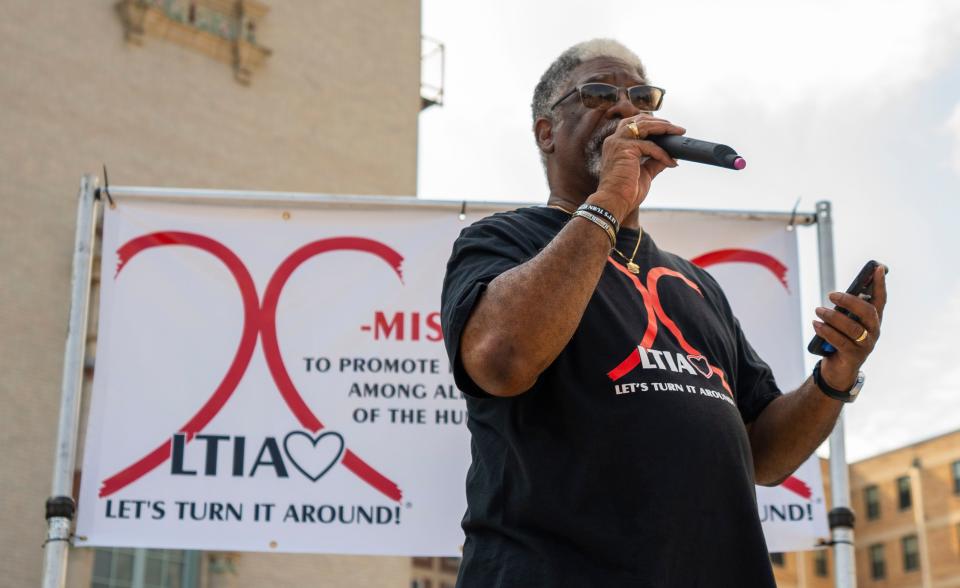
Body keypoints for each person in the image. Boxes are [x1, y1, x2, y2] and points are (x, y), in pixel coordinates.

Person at [440, 39, 886, 587]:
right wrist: (611, 197)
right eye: (599, 92)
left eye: (640, 96)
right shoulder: (505, 241)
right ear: (546, 132)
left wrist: (835, 375)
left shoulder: (695, 284)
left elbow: (765, 457)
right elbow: (501, 360)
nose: (626, 109)